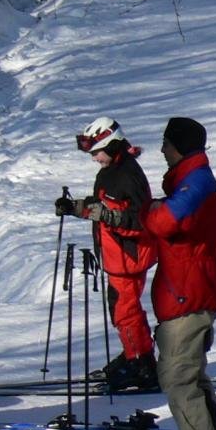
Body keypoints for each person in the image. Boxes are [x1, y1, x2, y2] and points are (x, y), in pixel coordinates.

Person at [97, 116, 216, 430]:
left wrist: (147, 210)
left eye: (166, 143)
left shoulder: (197, 181)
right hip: (186, 290)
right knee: (191, 376)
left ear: (180, 146)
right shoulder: (190, 179)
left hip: (190, 293)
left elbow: (165, 221)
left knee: (177, 377)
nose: (161, 150)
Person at [55, 117, 157, 393]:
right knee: (122, 309)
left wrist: (104, 214)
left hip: (128, 255)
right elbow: (101, 205)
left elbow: (138, 220)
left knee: (125, 311)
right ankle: (135, 354)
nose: (94, 158)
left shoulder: (127, 175)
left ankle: (142, 365)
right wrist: (74, 207)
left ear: (112, 145)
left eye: (96, 152)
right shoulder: (111, 170)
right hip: (115, 254)